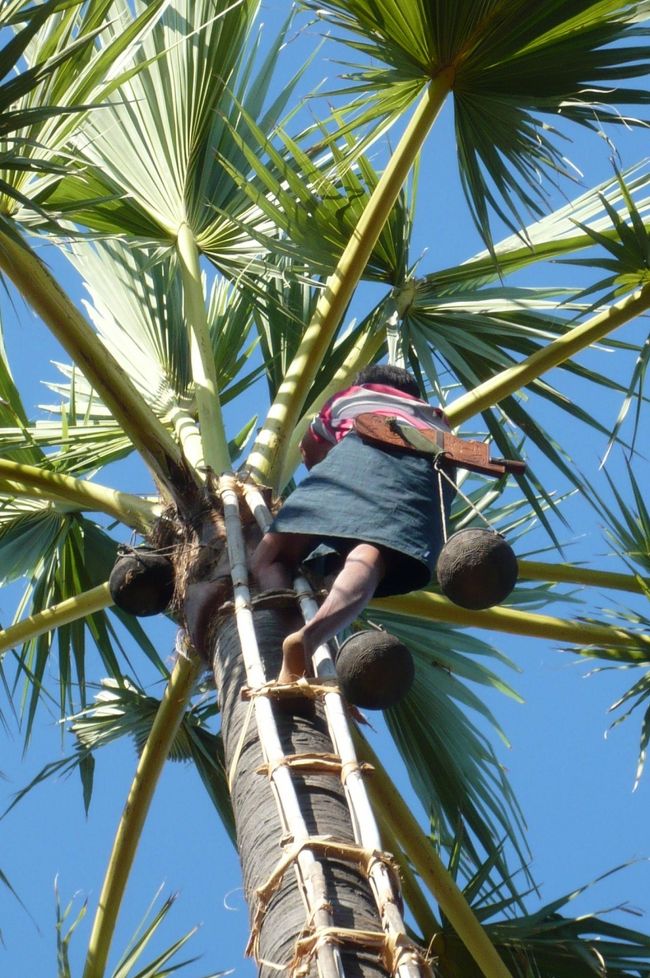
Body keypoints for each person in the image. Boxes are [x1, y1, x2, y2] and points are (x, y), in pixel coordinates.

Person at [250, 365, 455, 684]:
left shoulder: (349, 397)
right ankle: (311, 637)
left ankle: (290, 625)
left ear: (366, 382)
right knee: (371, 554)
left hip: (356, 458)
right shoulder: (437, 419)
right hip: (420, 474)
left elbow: (310, 448)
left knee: (268, 557)